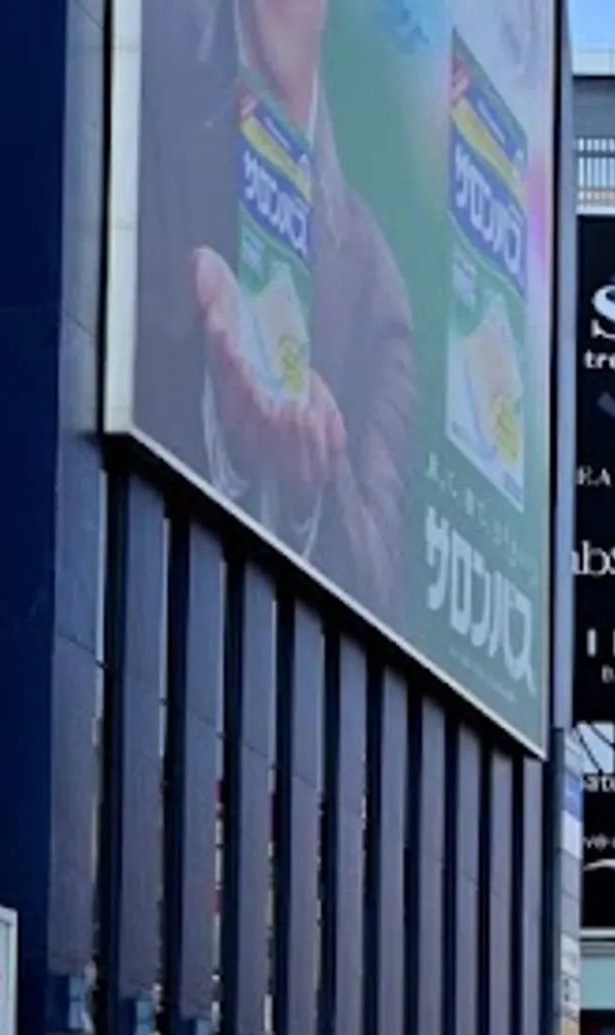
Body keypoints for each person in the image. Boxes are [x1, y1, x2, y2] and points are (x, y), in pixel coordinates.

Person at [127, 0, 423, 611]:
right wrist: (200, 349)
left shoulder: (374, 281)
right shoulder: (140, 81)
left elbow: (380, 582)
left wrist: (311, 477)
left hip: (268, 662)